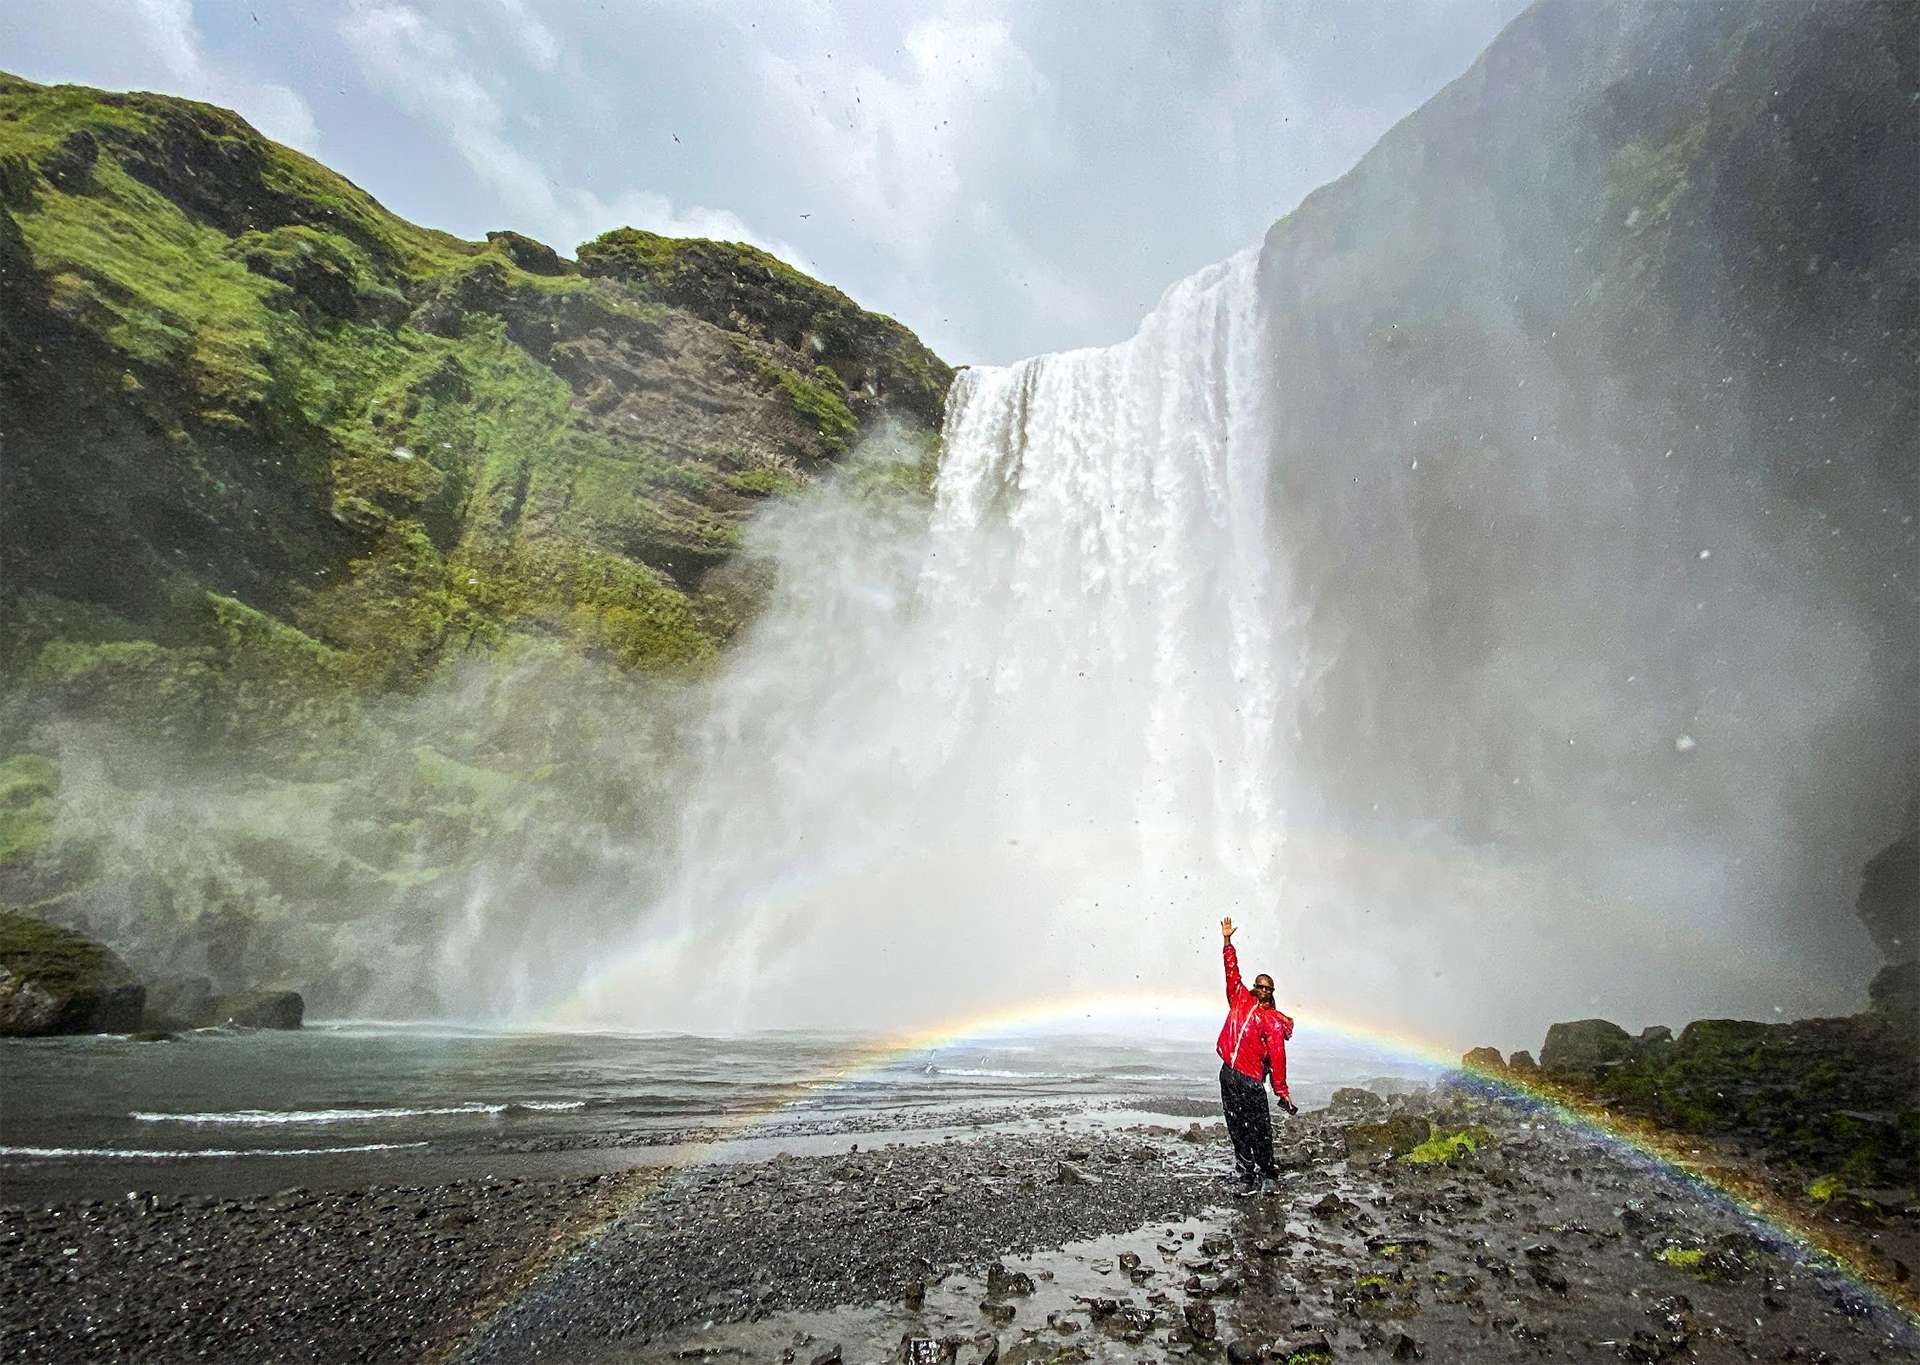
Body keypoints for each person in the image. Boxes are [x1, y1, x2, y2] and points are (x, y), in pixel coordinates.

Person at [1215, 915, 1296, 1195]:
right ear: (1253, 986)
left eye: (1267, 987)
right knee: (1236, 1127)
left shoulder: (1272, 1020)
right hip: (1228, 1074)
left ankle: (1268, 1173)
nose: (1262, 989)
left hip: (1251, 1081)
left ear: (1271, 992)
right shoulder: (1239, 997)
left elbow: (1277, 1057)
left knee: (1260, 1129)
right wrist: (1227, 941)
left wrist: (1281, 1090)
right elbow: (1231, 971)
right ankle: (1246, 1173)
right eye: (1259, 985)